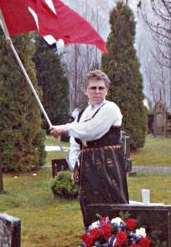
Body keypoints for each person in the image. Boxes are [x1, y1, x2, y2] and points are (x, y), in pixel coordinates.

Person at [49, 69, 128, 224]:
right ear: (85, 90)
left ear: (107, 90)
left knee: (112, 200)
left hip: (108, 164)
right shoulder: (81, 114)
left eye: (101, 88)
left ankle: (117, 240)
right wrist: (74, 165)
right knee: (90, 201)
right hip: (87, 165)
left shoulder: (111, 108)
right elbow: (75, 142)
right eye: (93, 88)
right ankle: (92, 240)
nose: (97, 92)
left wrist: (64, 128)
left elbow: (90, 131)